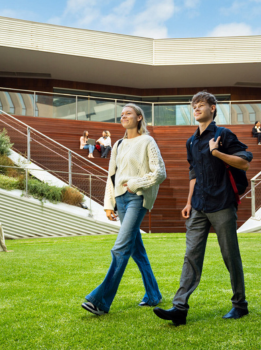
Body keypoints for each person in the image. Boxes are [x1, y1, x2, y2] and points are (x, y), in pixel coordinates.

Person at [154, 91, 252, 326]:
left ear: (213, 108)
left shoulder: (223, 134)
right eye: (193, 106)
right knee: (191, 256)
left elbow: (245, 162)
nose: (196, 109)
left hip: (222, 204)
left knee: (230, 256)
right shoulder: (191, 141)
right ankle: (180, 307)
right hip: (198, 205)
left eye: (201, 105)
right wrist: (188, 202)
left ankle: (240, 305)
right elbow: (193, 173)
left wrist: (217, 152)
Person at [81, 103, 166, 316]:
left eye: (128, 113)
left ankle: (100, 301)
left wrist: (136, 183)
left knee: (120, 248)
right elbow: (112, 176)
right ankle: (153, 295)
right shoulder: (118, 144)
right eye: (121, 114)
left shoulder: (147, 141)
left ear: (139, 118)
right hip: (121, 200)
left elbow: (160, 172)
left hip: (137, 198)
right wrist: (109, 204)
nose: (123, 116)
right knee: (137, 251)